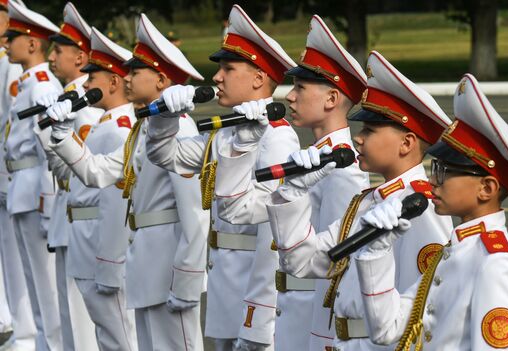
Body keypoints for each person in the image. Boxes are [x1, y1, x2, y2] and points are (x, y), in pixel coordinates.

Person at [263, 51, 453, 350]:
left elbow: (425, 308)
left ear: (406, 143)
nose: (359, 138)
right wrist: (293, 192)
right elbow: (302, 261)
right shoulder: (368, 203)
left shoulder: (420, 207)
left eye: (370, 130)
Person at [47, 13, 209, 351]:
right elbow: (96, 172)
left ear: (162, 80)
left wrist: (189, 279)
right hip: (146, 261)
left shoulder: (181, 129)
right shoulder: (144, 129)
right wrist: (61, 134)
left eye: (136, 71)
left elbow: (195, 213)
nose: (127, 77)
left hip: (169, 265)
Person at [145, 4, 300, 350]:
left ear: (259, 78)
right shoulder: (225, 133)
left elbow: (273, 235)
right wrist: (164, 117)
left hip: (253, 286)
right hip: (225, 281)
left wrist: (259, 314)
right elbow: (163, 155)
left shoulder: (276, 137)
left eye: (229, 69)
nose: (216, 77)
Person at [354, 73, 508, 350]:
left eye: (444, 171)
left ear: (487, 188)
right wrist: (376, 252)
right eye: (435, 169)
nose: (432, 180)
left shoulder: (495, 264)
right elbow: (387, 329)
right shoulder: (456, 250)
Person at [212, 15, 369, 351]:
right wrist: (243, 144)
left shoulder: (341, 169)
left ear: (330, 100)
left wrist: (326, 339)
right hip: (289, 308)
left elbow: (337, 267)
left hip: (309, 317)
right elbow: (238, 210)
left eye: (301, 88)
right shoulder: (311, 158)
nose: (291, 97)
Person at [38, 26, 138, 351]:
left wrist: (111, 257)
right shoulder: (104, 123)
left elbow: (114, 196)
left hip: (100, 238)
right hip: (83, 233)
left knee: (119, 333)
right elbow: (74, 171)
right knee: (104, 332)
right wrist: (57, 133)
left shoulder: (121, 129)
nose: (87, 81)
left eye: (93, 75)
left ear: (113, 82)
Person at [35, 3, 102, 350]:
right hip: (69, 215)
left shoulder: (86, 103)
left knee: (84, 323)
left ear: (79, 58)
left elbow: (81, 169)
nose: (51, 57)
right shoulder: (67, 99)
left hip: (86, 221)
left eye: (58, 51)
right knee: (70, 319)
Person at [3, 2, 63, 349]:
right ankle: (39, 341)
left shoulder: (42, 87)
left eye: (13, 37)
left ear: (32, 44)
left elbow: (48, 151)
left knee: (45, 284)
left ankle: (51, 344)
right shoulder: (28, 84)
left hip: (35, 191)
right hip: (21, 189)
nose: (6, 43)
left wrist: (47, 202)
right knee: (33, 280)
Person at [0, 2, 36, 349]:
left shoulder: (19, 76)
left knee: (22, 265)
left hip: (18, 180)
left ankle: (25, 334)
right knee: (14, 263)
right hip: (10, 179)